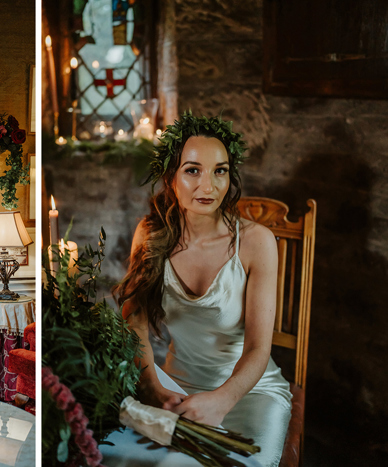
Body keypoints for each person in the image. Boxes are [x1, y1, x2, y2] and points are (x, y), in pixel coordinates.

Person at [116, 110, 292, 467]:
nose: (208, 187)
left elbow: (259, 347)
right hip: (173, 387)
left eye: (220, 171)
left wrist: (222, 400)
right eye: (193, 170)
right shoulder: (149, 235)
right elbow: (133, 325)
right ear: (171, 175)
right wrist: (152, 388)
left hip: (250, 391)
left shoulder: (257, 242)